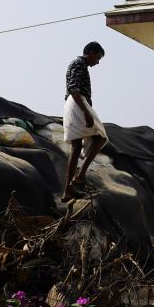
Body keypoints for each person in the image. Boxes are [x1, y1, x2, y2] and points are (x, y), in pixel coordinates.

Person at [61, 41, 108, 201]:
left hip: (74, 103)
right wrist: (86, 112)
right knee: (101, 137)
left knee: (76, 146)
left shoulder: (80, 65)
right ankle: (79, 177)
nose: (98, 61)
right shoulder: (78, 64)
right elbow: (74, 89)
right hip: (77, 102)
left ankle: (68, 190)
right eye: (98, 57)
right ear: (92, 53)